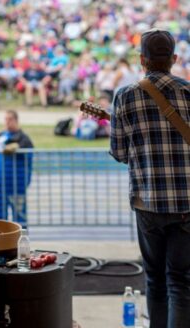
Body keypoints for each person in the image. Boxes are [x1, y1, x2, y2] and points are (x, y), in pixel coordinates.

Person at [110, 29, 190, 328]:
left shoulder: (126, 95)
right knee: (180, 282)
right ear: (174, 59)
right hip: (187, 203)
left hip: (147, 203)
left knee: (155, 280)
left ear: (142, 60)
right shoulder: (188, 92)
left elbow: (119, 152)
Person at [0, 110, 33, 228]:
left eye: (10, 119)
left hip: (16, 186)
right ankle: (0, 243)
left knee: (20, 218)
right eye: (6, 119)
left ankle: (20, 242)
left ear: (16, 120)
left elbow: (29, 158)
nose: (7, 122)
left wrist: (17, 147)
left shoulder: (23, 138)